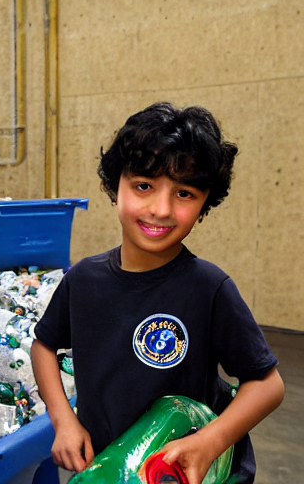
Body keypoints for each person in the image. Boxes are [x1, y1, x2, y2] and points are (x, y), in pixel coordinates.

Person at [31, 102, 285, 484]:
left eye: (184, 193)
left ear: (204, 205)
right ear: (115, 187)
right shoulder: (83, 281)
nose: (161, 209)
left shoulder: (209, 289)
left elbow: (267, 385)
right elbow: (44, 346)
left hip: (179, 474)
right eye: (144, 186)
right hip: (106, 468)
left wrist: (211, 441)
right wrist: (63, 418)